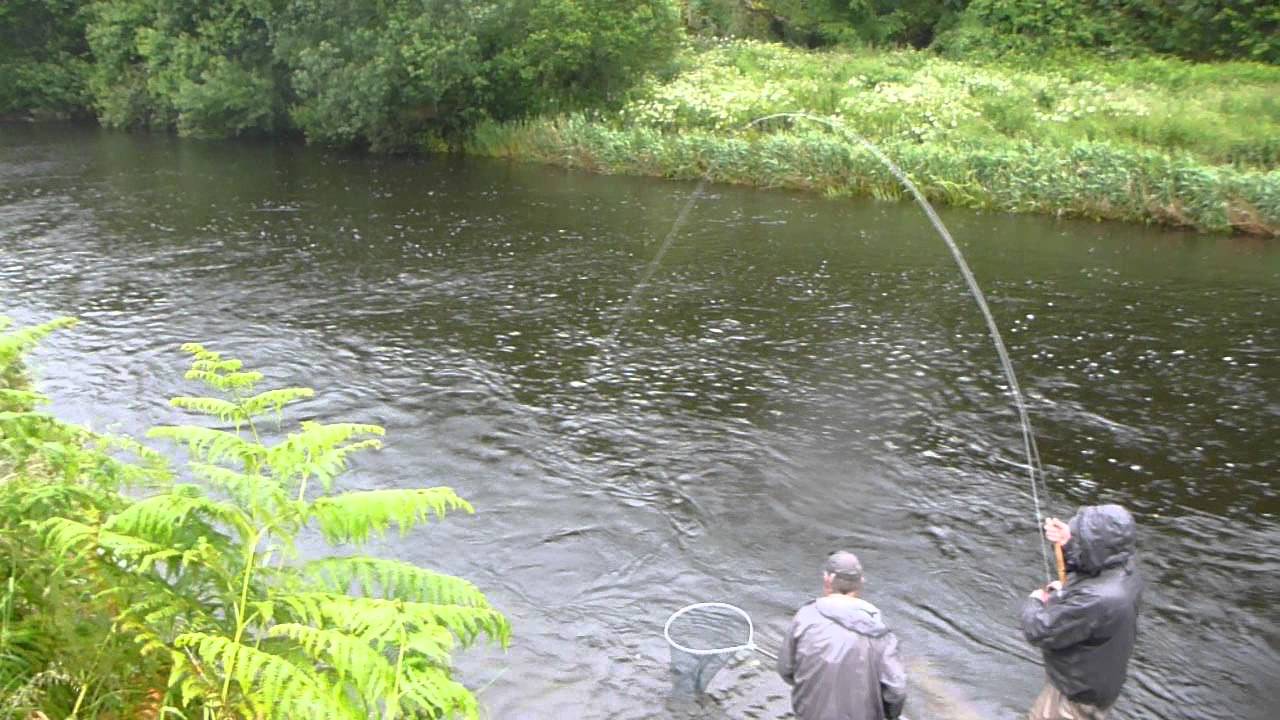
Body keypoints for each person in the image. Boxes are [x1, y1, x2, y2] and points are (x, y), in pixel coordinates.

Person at [1021, 504, 1144, 720]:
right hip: (1097, 686)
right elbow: (1092, 568)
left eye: (1082, 538)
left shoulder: (1097, 599)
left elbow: (1040, 629)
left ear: (1097, 545)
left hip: (1074, 700)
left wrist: (1036, 600)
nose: (1077, 538)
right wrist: (1067, 543)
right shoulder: (1126, 567)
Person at [777, 551, 907, 720]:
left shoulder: (804, 617)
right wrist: (890, 715)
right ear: (860, 583)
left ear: (828, 580)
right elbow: (896, 691)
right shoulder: (882, 635)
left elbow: (786, 670)